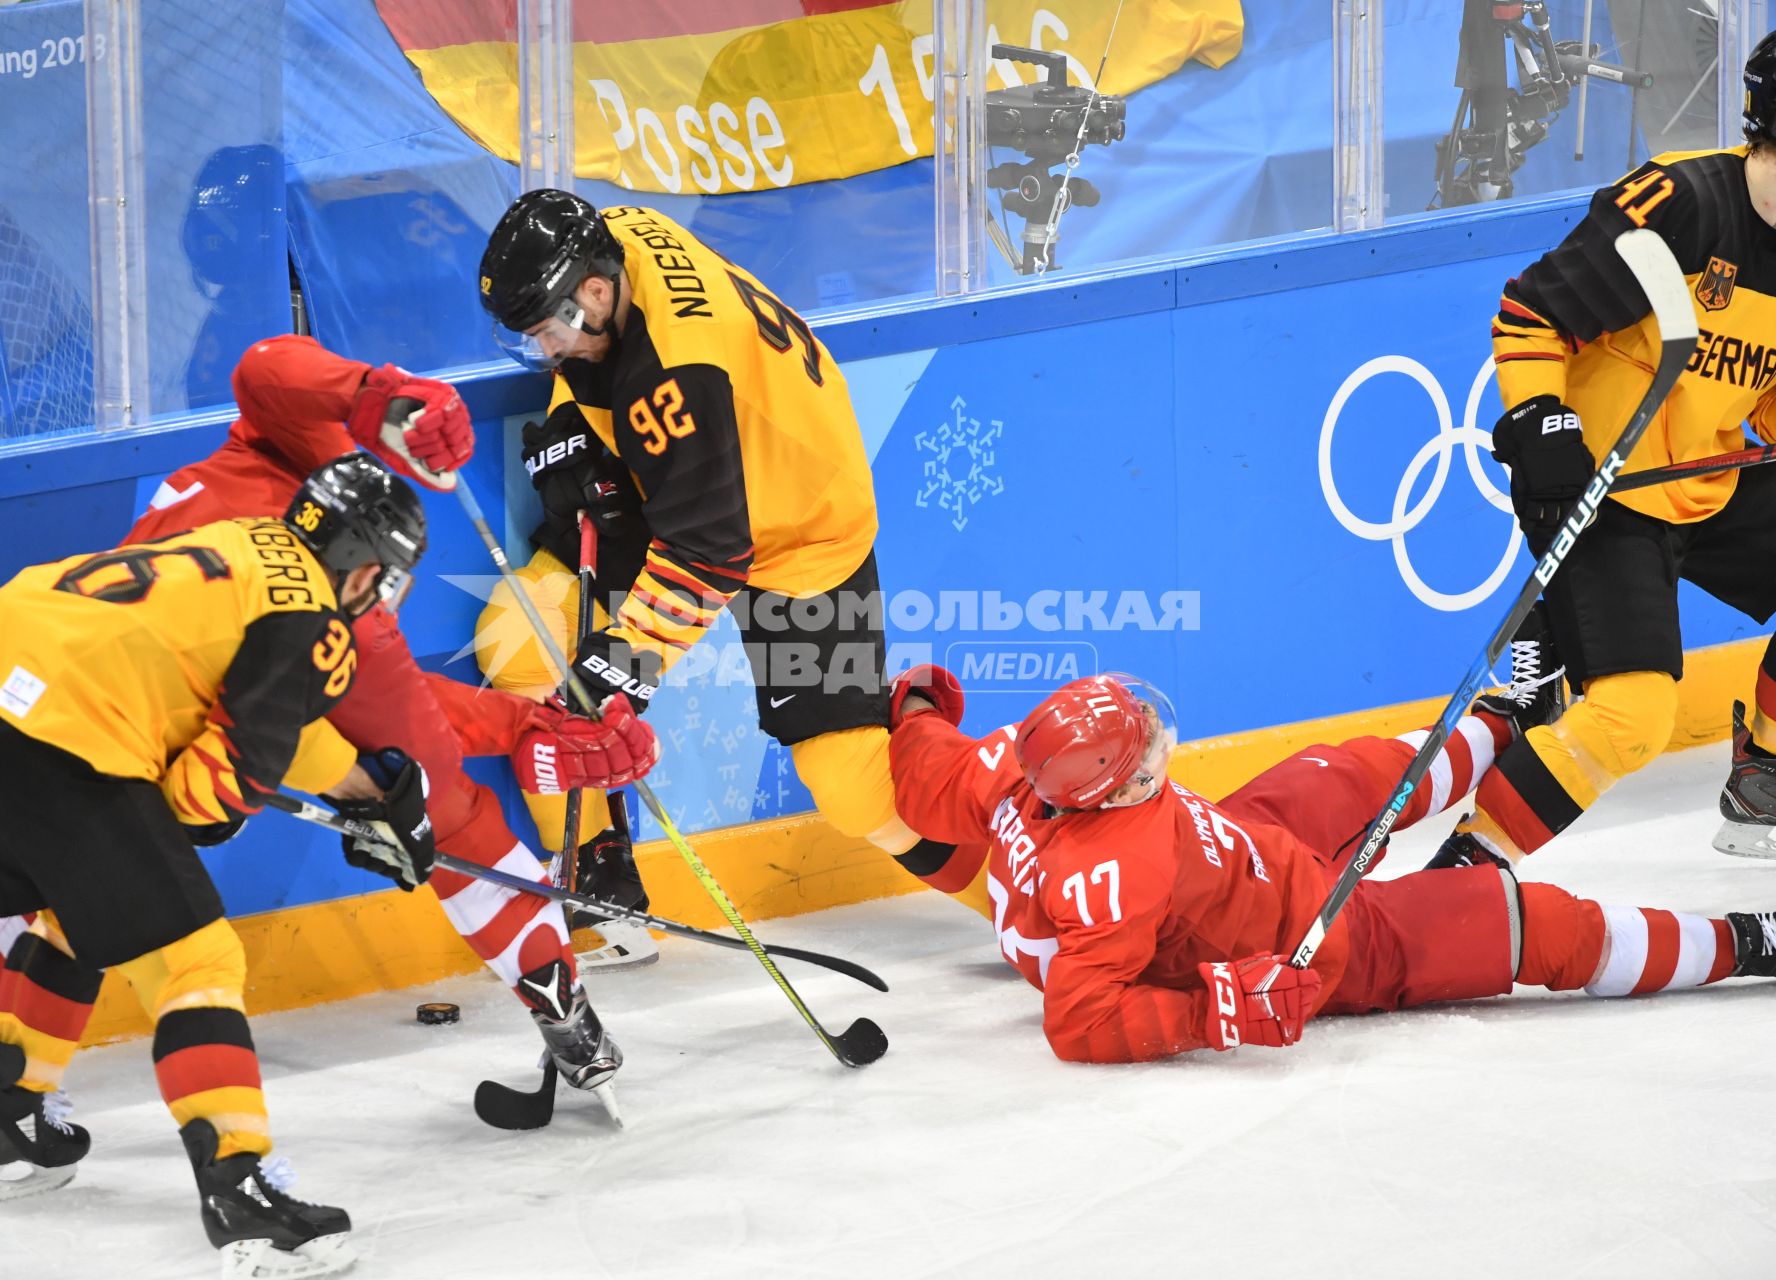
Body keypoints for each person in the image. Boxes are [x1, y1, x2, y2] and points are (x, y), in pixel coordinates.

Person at [0, 334, 656, 1130]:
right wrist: (530, 726)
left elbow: (264, 366)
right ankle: (559, 1029)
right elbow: (425, 764)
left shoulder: (287, 459)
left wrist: (376, 387)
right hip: (127, 722)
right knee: (179, 938)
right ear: (367, 568)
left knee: (38, 874)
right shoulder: (339, 629)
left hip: (9, 661)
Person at [0, 455, 428, 1273]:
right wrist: (202, 821)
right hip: (61, 732)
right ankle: (243, 1199)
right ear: (366, 568)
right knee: (198, 957)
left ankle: (9, 1127)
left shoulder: (244, 542)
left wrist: (371, 790)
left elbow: (275, 723)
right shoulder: (315, 623)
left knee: (76, 918)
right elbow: (229, 779)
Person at [470, 190, 955, 964]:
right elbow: (611, 373)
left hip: (799, 524)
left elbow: (709, 554)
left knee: (851, 784)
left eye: (547, 333)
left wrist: (622, 669)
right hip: (703, 481)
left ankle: (1016, 880)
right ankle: (603, 879)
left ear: (593, 292)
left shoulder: (678, 377)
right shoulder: (615, 241)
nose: (547, 352)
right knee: (520, 627)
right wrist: (571, 431)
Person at [886, 666, 1776, 1063]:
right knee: (1537, 925)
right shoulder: (1116, 877)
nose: (1160, 739)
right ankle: (1743, 941)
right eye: (1147, 750)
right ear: (1113, 795)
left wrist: (915, 701)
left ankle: (1508, 716)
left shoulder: (1014, 764)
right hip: (1321, 938)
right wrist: (1212, 1013)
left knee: (1365, 769)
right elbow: (1078, 1020)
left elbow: (927, 765)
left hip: (1237, 842)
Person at [1431, 28, 1776, 870]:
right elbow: (1529, 314)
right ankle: (1470, 867)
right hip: (1600, 486)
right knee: (1633, 719)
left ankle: (1763, 768)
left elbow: (1764, 384)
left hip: (1706, 475)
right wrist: (1544, 424)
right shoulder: (1683, 203)